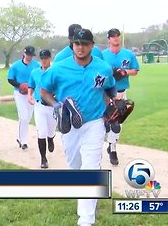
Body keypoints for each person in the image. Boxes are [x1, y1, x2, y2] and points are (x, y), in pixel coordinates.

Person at [40, 28, 116, 226]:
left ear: (92, 45)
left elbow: (110, 87)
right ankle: (91, 193)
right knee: (75, 167)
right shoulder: (58, 68)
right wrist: (56, 105)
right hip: (69, 125)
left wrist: (114, 103)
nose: (80, 47)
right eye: (77, 44)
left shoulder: (103, 67)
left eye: (84, 44)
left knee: (90, 167)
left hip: (94, 122)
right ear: (72, 45)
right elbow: (44, 91)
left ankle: (86, 219)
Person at [102, 28, 140, 166]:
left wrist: (124, 72)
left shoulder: (128, 54)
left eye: (117, 36)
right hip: (105, 92)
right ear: (109, 39)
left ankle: (112, 148)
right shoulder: (103, 55)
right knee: (107, 122)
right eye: (112, 36)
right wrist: (111, 72)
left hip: (121, 91)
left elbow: (135, 71)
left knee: (117, 123)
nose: (116, 38)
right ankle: (109, 147)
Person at [27, 49, 56, 168]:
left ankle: (51, 138)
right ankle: (43, 158)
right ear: (40, 59)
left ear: (50, 58)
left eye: (46, 58)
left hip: (52, 105)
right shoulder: (35, 72)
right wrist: (29, 95)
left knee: (51, 130)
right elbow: (31, 85)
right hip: (39, 105)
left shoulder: (55, 72)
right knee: (41, 132)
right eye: (42, 58)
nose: (44, 60)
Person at [7, 45, 40, 150]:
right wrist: (20, 86)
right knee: (23, 117)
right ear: (24, 53)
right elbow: (10, 79)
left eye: (31, 55)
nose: (30, 57)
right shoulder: (16, 66)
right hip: (19, 93)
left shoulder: (36, 65)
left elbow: (39, 77)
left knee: (28, 117)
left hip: (32, 93)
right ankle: (23, 141)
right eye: (28, 54)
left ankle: (19, 137)